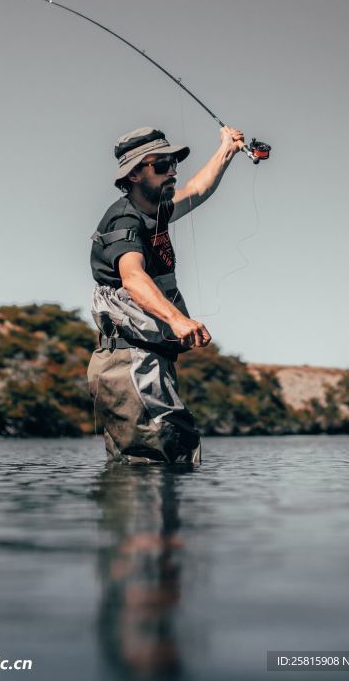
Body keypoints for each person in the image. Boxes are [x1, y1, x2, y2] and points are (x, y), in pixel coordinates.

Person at [88, 124, 245, 464]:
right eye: (160, 166)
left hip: (147, 361)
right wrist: (177, 319)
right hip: (130, 362)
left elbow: (197, 189)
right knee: (165, 457)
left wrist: (226, 151)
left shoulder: (156, 212)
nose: (172, 171)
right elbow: (132, 277)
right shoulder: (124, 221)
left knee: (154, 466)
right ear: (132, 175)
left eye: (173, 163)